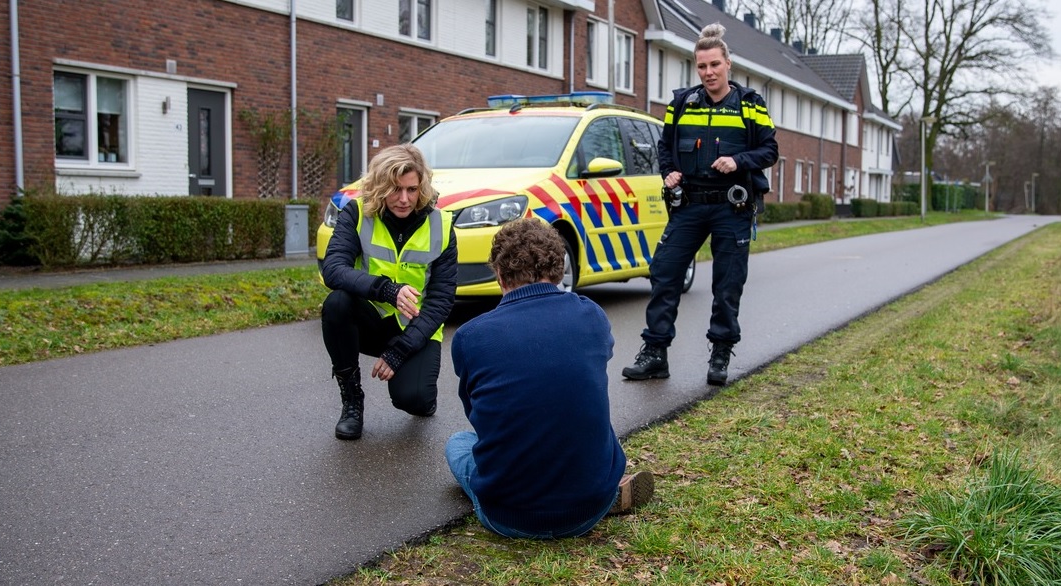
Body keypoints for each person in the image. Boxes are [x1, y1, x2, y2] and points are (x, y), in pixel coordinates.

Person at [445, 218, 653, 539]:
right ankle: (605, 493)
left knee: (458, 444)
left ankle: (517, 495)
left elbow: (478, 416)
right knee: (582, 413)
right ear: (558, 270)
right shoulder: (592, 316)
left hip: (509, 517)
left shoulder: (470, 336)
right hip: (589, 510)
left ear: (499, 275)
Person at [623, 22, 778, 386]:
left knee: (727, 284)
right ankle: (655, 353)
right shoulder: (681, 103)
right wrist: (669, 172)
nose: (708, 72)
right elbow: (665, 146)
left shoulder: (750, 104)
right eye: (702, 66)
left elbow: (770, 150)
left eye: (714, 65)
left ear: (728, 64)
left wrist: (739, 162)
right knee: (664, 273)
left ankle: (720, 352)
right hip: (689, 204)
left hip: (731, 207)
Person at [320, 144, 458, 440]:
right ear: (379, 185)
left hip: (417, 328)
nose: (405, 199)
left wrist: (400, 350)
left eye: (412, 189)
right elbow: (332, 269)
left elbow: (442, 300)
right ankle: (352, 402)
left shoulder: (441, 224)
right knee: (337, 304)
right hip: (371, 318)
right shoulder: (357, 212)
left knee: (414, 400)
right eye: (395, 189)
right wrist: (386, 290)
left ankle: (419, 391)